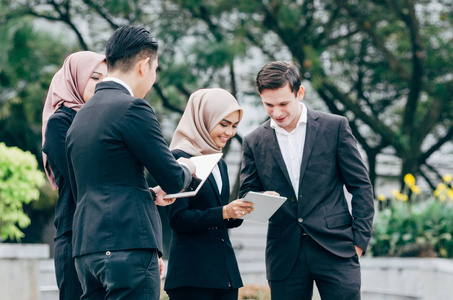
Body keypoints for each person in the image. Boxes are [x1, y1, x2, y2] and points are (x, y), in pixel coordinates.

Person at [65, 25, 195, 300]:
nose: (154, 77)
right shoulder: (132, 108)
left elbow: (91, 186)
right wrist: (190, 168)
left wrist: (148, 194)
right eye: (155, 69)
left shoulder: (80, 117)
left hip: (87, 249)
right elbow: (172, 178)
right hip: (127, 244)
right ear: (143, 65)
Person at [239, 61, 375, 300]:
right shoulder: (253, 141)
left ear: (299, 93)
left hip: (336, 249)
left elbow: (361, 186)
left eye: (283, 103)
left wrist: (359, 241)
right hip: (284, 254)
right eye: (268, 105)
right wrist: (260, 200)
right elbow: (246, 193)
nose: (277, 112)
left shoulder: (335, 127)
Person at [164, 88, 254, 300]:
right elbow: (177, 219)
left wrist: (238, 211)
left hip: (225, 274)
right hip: (192, 275)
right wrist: (223, 212)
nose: (229, 132)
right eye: (223, 124)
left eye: (234, 126)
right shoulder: (178, 158)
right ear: (202, 119)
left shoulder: (219, 162)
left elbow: (218, 215)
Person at [42, 51, 107, 300]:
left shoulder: (101, 122)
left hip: (104, 234)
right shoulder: (61, 122)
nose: (102, 85)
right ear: (75, 79)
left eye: (106, 79)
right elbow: (81, 178)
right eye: (95, 77)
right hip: (75, 235)